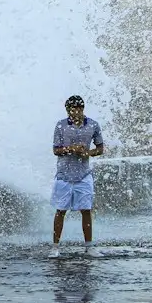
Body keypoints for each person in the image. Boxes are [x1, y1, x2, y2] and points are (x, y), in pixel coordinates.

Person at [50, 95, 104, 257]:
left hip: (83, 174)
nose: (75, 112)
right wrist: (71, 149)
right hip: (64, 175)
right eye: (72, 109)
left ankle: (89, 246)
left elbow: (100, 149)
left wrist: (87, 152)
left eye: (79, 108)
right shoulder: (61, 126)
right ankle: (55, 247)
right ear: (67, 110)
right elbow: (56, 150)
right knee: (61, 210)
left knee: (86, 210)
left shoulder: (93, 125)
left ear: (83, 109)